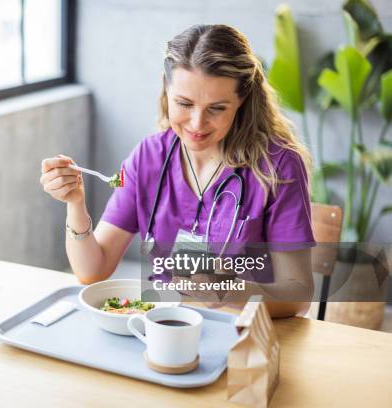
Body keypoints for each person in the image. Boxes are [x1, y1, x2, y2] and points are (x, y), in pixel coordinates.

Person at [40, 24, 314, 318]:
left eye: (217, 108)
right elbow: (92, 271)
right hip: (160, 327)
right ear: (165, 88)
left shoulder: (278, 165)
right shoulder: (149, 157)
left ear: (242, 101)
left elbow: (297, 293)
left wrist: (230, 288)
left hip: (240, 334)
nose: (197, 123)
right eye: (184, 103)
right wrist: (75, 203)